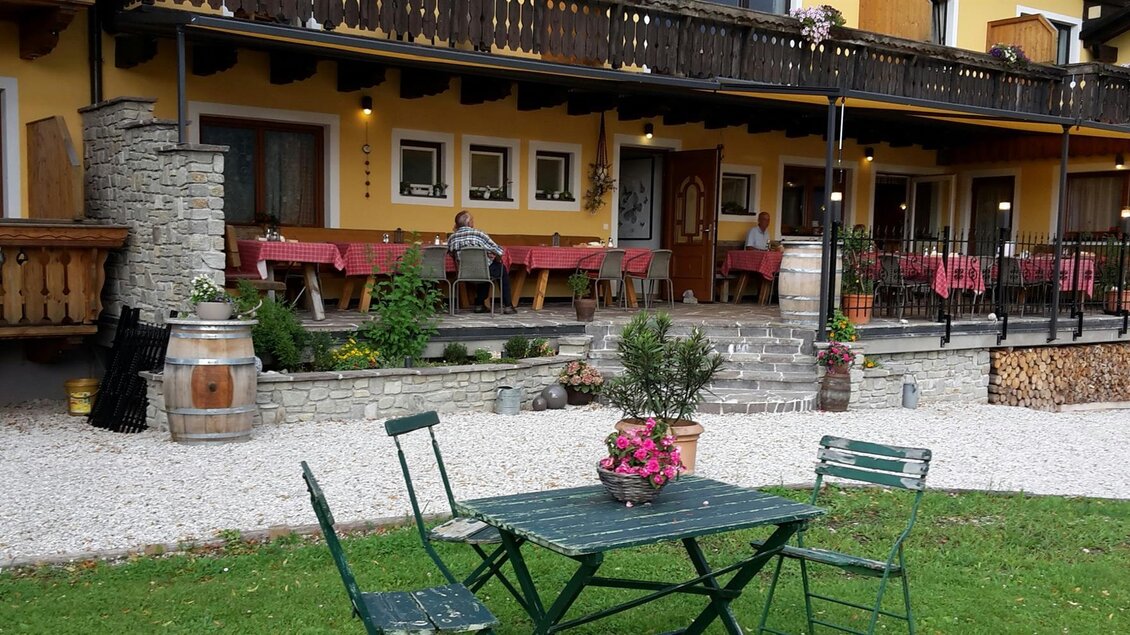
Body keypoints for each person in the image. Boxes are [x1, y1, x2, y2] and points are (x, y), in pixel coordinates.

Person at [448, 211, 516, 315]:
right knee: (499, 269)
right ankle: (508, 306)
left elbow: (451, 254)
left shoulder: (452, 238)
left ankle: (479, 305)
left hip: (464, 273)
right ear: (469, 222)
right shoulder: (479, 234)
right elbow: (499, 250)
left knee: (484, 267)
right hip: (483, 271)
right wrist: (490, 254)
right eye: (472, 220)